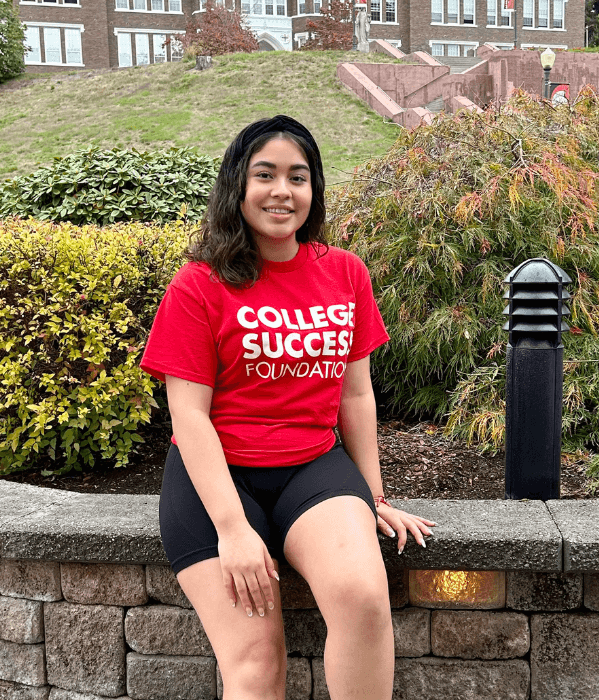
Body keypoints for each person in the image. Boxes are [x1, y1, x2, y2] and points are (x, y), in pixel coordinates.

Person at [140, 115, 435, 700]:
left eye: (297, 177)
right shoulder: (198, 284)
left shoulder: (344, 273)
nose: (282, 191)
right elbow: (189, 416)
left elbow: (355, 395)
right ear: (238, 186)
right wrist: (234, 530)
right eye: (265, 175)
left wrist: (374, 497)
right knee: (256, 661)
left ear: (313, 190)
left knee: (364, 601)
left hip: (312, 467)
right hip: (216, 480)